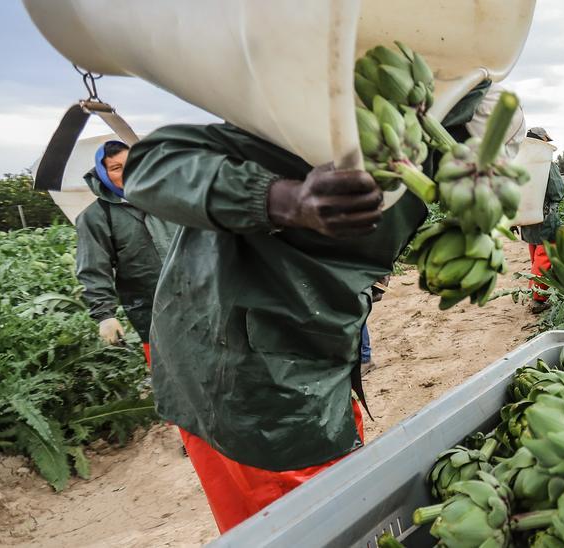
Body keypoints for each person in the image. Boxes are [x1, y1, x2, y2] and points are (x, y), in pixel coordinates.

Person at [121, 85, 509, 533]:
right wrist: (284, 199)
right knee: (296, 526)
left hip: (312, 358)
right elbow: (150, 165)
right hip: (244, 382)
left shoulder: (434, 176)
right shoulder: (308, 122)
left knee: (328, 508)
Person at [74, 140, 177, 368]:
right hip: (152, 313)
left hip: (201, 302)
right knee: (172, 380)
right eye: (116, 168)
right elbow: (93, 268)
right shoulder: (97, 216)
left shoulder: (166, 200)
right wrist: (105, 315)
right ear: (103, 174)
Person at [518, 127, 564, 314]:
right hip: (545, 217)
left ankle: (537, 289)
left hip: (527, 218)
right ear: (541, 142)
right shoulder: (546, 164)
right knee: (544, 258)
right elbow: (557, 190)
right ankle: (538, 299)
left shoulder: (519, 163)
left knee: (535, 255)